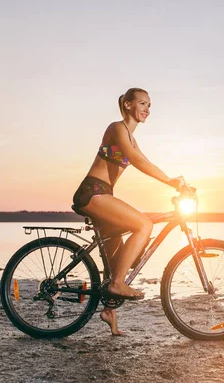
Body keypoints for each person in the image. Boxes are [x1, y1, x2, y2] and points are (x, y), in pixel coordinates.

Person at [72, 88, 185, 335]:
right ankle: (118, 284)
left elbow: (144, 160)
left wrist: (174, 179)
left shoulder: (132, 138)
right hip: (93, 192)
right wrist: (170, 182)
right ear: (126, 105)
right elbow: (136, 160)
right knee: (144, 225)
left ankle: (109, 311)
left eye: (150, 105)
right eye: (142, 103)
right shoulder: (117, 128)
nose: (147, 109)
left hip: (104, 195)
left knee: (116, 259)